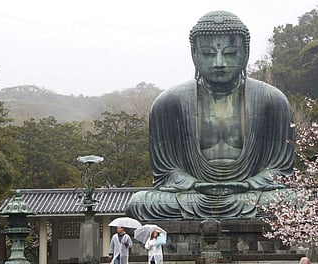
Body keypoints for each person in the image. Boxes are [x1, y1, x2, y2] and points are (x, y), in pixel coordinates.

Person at [126, 10, 295, 220]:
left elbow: (280, 170)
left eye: (230, 53)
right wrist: (195, 184)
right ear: (194, 55)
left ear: (245, 54)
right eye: (207, 54)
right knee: (140, 203)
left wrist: (249, 184)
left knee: (295, 200)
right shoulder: (169, 102)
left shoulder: (272, 100)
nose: (218, 62)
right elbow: (167, 171)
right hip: (192, 195)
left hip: (250, 194)